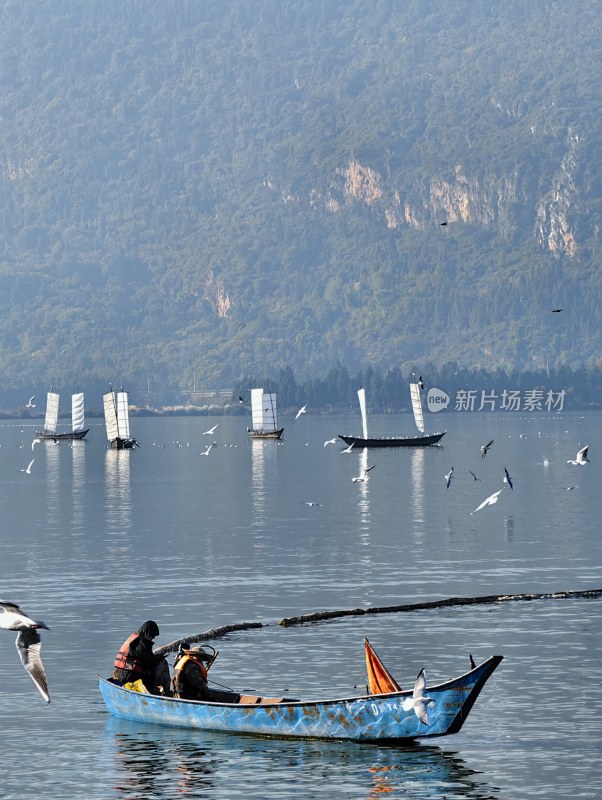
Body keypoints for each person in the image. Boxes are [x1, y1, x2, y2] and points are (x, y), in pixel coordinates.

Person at [114, 620, 171, 695]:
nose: (153, 638)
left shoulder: (134, 639)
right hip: (132, 676)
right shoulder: (141, 643)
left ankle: (158, 689)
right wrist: (159, 658)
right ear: (148, 632)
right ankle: (166, 693)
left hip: (122, 674)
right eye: (152, 635)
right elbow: (150, 663)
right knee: (164, 664)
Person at [172, 641, 239, 702]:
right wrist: (211, 697)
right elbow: (200, 685)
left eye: (203, 658)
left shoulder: (188, 663)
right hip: (185, 696)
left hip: (182, 694)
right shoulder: (191, 667)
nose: (202, 660)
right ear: (195, 656)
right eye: (201, 657)